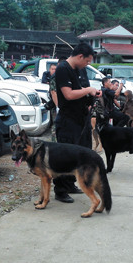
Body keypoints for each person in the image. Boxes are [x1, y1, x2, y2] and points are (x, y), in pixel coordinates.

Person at [53, 43, 100, 203]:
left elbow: (82, 89)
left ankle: (71, 184)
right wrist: (88, 90)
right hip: (68, 121)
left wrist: (90, 95)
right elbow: (69, 94)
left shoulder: (81, 69)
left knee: (81, 153)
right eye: (87, 61)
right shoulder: (62, 69)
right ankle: (60, 190)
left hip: (81, 119)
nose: (88, 64)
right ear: (80, 56)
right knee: (64, 156)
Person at [48, 57, 66, 142]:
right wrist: (58, 106)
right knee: (56, 124)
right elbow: (53, 92)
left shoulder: (62, 74)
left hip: (62, 104)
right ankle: (54, 143)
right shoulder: (55, 76)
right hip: (57, 105)